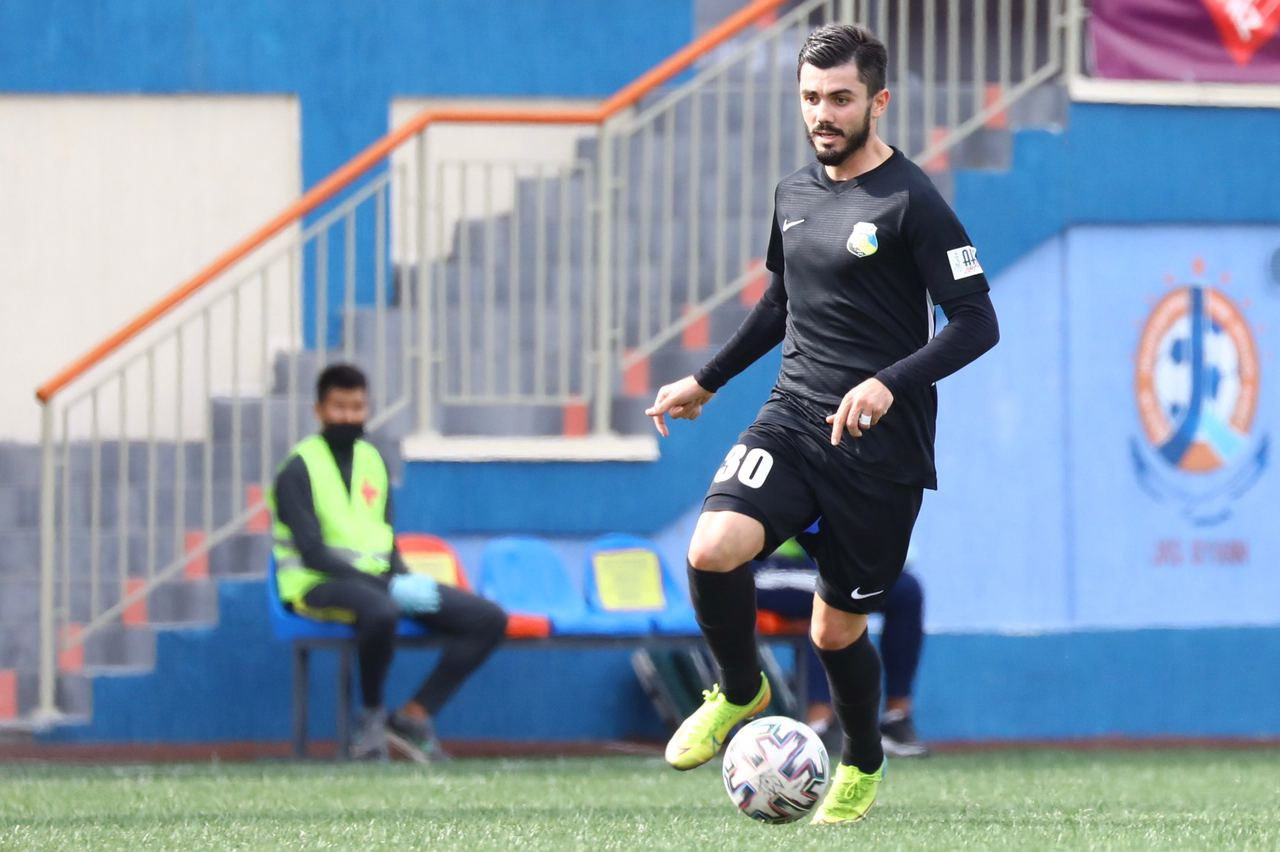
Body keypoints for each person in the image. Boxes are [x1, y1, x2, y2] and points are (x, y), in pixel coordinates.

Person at [645, 24, 998, 824]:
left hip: (881, 453)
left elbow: (978, 322)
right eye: (810, 98)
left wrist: (888, 383)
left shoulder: (912, 201)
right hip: (794, 419)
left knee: (836, 634)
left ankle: (864, 757)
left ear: (879, 101)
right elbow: (780, 304)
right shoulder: (794, 195)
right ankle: (741, 689)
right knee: (711, 547)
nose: (822, 114)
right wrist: (705, 381)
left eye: (840, 98)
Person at [269, 363, 508, 761]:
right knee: (381, 609)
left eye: (357, 407)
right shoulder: (297, 468)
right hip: (314, 583)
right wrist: (390, 587)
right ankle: (371, 720)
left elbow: (384, 536)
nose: (348, 416)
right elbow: (313, 553)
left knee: (487, 619)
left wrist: (404, 577)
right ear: (319, 410)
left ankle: (413, 717)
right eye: (339, 407)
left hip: (379, 581)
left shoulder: (373, 460)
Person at [753, 537, 930, 757]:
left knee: (905, 589)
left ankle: (896, 719)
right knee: (830, 593)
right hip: (766, 565)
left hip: (826, 565)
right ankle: (820, 725)